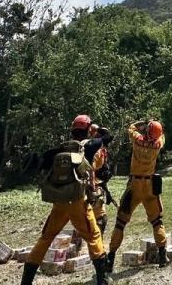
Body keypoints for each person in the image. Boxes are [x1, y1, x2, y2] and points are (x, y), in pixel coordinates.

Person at [20, 115, 112, 285]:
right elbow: (107, 137)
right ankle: (102, 279)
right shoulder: (91, 146)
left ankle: (26, 281)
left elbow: (42, 163)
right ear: (87, 129)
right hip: (77, 201)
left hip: (59, 200)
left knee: (46, 237)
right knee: (93, 236)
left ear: (72, 130)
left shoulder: (59, 150)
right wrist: (96, 130)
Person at [105, 119, 169, 272]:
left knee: (121, 222)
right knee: (156, 221)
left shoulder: (138, 139)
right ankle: (162, 257)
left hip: (134, 185)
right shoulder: (158, 144)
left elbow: (131, 128)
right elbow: (162, 135)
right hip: (149, 186)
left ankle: (110, 259)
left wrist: (142, 122)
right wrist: (155, 127)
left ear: (146, 131)